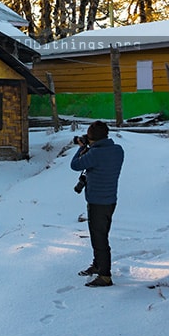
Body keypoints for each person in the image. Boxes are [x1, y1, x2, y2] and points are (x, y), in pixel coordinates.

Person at [70, 120, 124, 287]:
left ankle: (105, 276)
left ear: (92, 138)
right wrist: (91, 145)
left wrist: (82, 147)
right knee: (101, 235)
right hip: (110, 200)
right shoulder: (118, 150)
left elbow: (75, 165)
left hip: (96, 202)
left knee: (99, 239)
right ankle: (97, 264)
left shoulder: (94, 154)